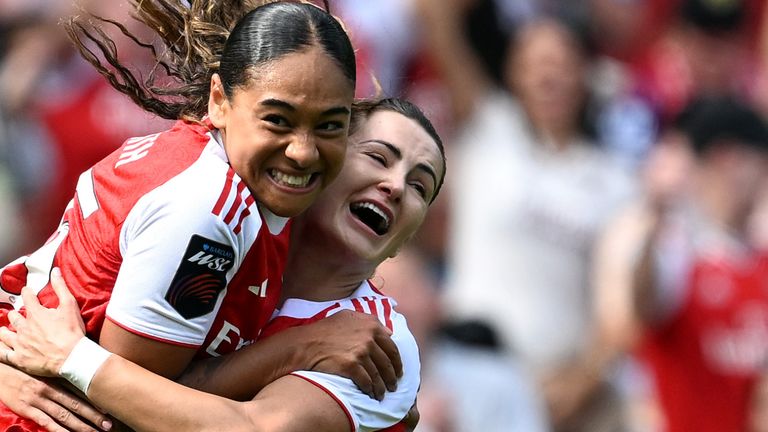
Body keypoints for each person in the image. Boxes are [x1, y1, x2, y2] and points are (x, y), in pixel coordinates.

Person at [0, 1, 401, 430]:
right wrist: (304, 346)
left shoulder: (225, 174)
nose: (302, 151)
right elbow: (124, 408)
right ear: (219, 101)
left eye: (328, 126)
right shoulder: (210, 209)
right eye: (277, 120)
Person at [414, 1, 636, 430]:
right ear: (513, 72)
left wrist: (580, 383)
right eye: (533, 62)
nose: (547, 74)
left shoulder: (615, 180)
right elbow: (434, 19)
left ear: (586, 74)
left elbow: (622, 304)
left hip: (565, 386)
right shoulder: (486, 125)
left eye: (561, 62)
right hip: (471, 373)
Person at [601, 96, 768, 432]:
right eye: (722, 162)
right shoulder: (674, 246)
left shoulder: (760, 251)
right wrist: (657, 215)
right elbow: (641, 304)